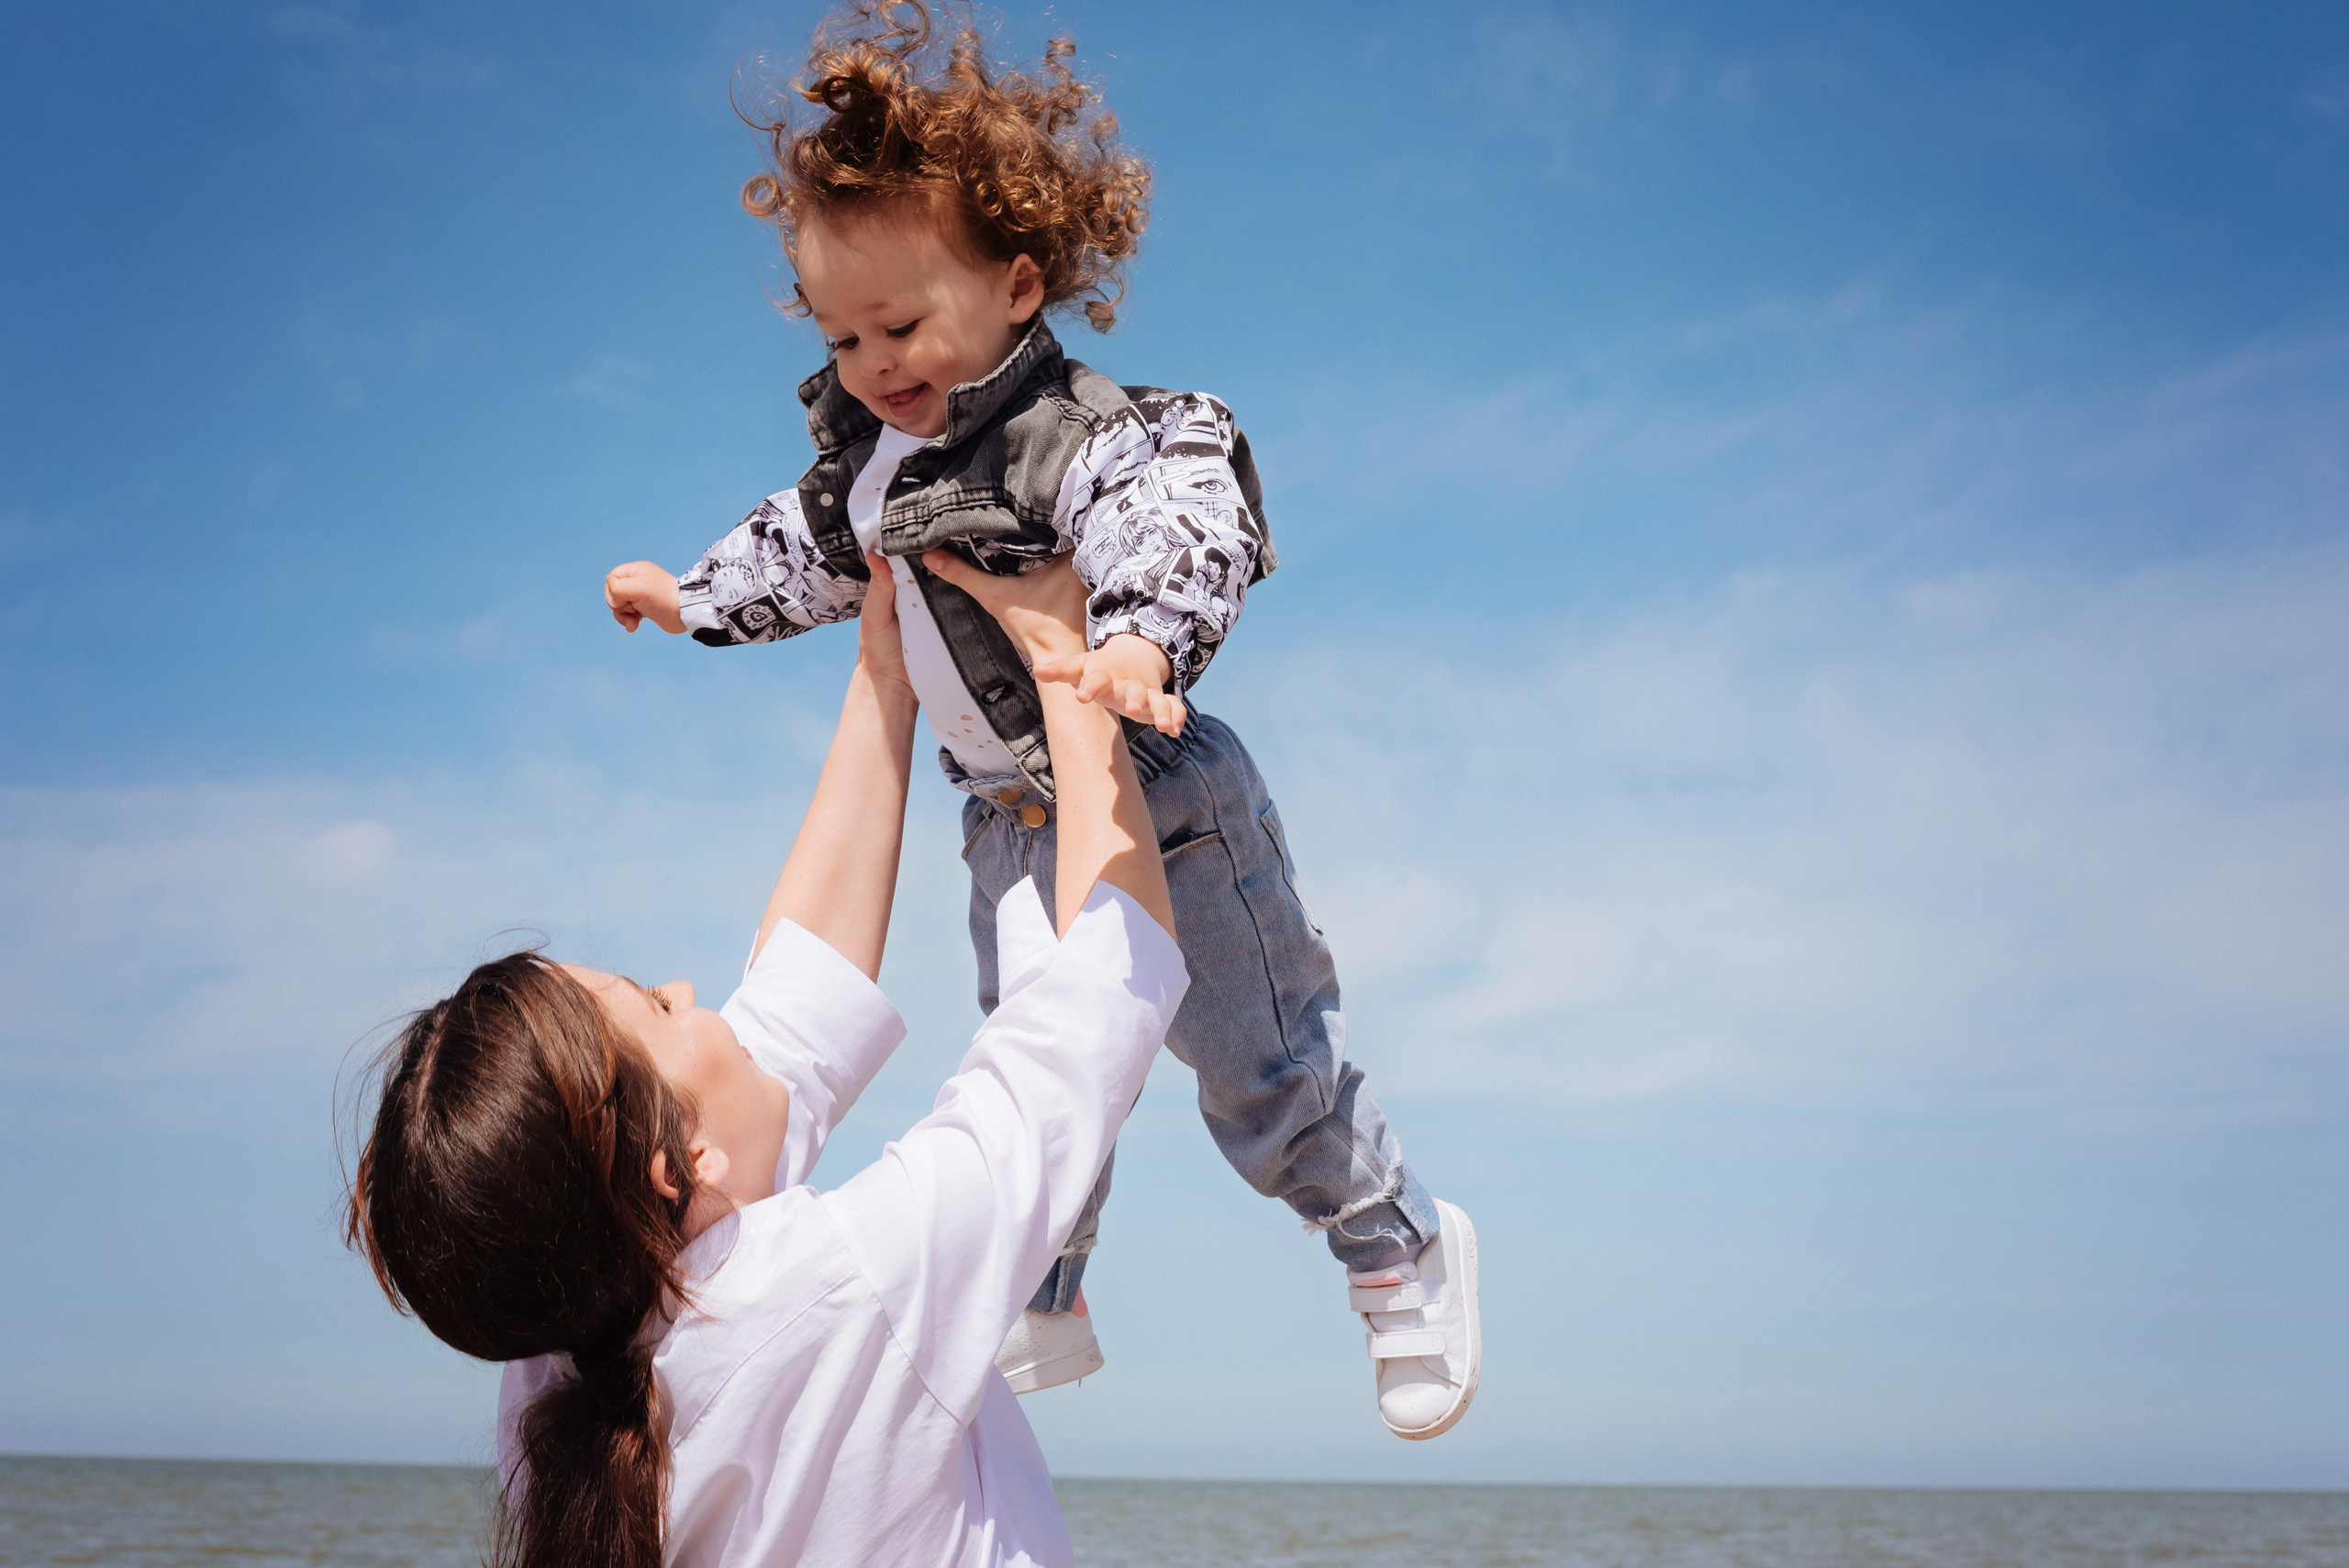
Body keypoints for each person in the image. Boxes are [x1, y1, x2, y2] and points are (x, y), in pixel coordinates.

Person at [602, 0, 1480, 1440]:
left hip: (1165, 798)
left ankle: (1396, 1237)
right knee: (1035, 1066)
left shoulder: (1077, 430)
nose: (877, 361)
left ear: (1017, 284)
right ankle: (1051, 1294)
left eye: (902, 321)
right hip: (1009, 824)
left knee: (1258, 1076)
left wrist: (1137, 638)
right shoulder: (868, 469)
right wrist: (693, 598)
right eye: (844, 333)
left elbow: (1179, 514)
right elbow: (798, 550)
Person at [349, 552, 1187, 1567]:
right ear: (679, 1166)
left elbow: (794, 1015)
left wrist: (886, 670)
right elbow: (1101, 993)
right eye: (659, 1005)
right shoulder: (843, 1290)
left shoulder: (557, 1381)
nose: (696, 994)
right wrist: (1070, 668)